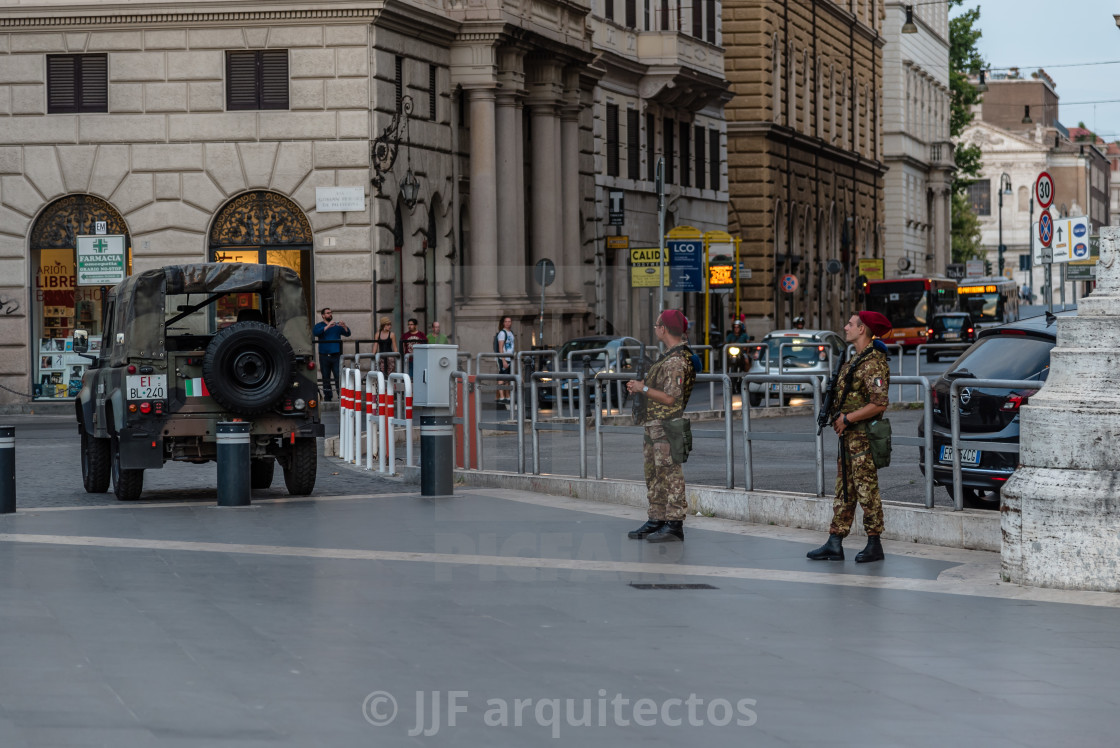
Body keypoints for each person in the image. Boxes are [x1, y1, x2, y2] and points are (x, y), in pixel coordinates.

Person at [806, 310, 892, 564]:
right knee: (844, 491)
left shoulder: (873, 362)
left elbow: (879, 403)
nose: (845, 327)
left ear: (862, 329)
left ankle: (874, 543)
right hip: (849, 438)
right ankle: (835, 541)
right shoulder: (854, 359)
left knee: (867, 490)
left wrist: (847, 419)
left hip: (863, 437)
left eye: (851, 324)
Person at [625, 309, 697, 543]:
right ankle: (657, 518)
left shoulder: (677, 360)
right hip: (654, 426)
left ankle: (674, 524)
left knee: (670, 474)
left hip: (667, 426)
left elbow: (670, 399)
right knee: (654, 475)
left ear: (663, 328)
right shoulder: (668, 355)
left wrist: (642, 388)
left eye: (657, 325)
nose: (655, 328)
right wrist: (643, 385)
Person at [312, 307, 350, 401]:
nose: (330, 314)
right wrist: (328, 326)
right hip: (324, 356)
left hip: (336, 356)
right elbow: (315, 333)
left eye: (331, 313)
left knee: (338, 376)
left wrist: (344, 326)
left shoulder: (337, 326)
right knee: (326, 377)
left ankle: (340, 395)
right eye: (328, 313)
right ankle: (328, 397)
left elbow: (348, 334)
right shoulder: (319, 325)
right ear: (323, 315)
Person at [495, 316, 515, 407]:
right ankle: (502, 397)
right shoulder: (502, 333)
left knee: (507, 378)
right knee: (501, 377)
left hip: (510, 358)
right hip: (503, 359)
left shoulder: (511, 333)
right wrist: (503, 360)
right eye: (506, 321)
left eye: (509, 321)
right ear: (503, 323)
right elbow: (500, 347)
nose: (508, 323)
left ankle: (507, 396)